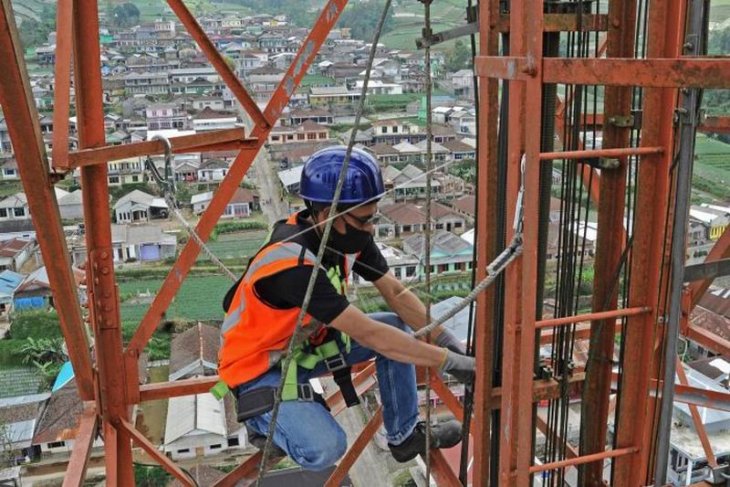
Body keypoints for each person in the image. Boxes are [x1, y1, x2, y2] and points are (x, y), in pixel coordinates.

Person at [218, 146, 475, 471]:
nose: (370, 229)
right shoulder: (292, 266)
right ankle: (261, 425)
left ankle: (404, 435)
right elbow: (369, 334)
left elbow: (395, 292)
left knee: (396, 326)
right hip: (257, 368)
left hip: (304, 347)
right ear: (328, 214)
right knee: (327, 448)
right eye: (364, 220)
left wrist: (448, 342)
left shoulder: (346, 236)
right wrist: (450, 362)